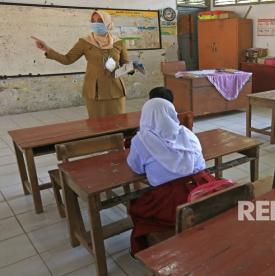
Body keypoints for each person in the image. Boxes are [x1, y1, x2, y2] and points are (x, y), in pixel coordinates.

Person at [126, 98, 207, 253]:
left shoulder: (141, 140)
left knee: (138, 210)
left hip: (169, 199)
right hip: (200, 189)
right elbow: (200, 165)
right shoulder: (187, 134)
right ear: (172, 114)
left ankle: (150, 251)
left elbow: (136, 167)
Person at [32, 10, 129, 119]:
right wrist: (47, 49)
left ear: (108, 22)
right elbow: (67, 59)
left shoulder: (119, 42)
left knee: (118, 123)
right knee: (97, 125)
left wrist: (132, 68)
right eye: (93, 21)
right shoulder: (85, 42)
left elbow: (125, 63)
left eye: (100, 20)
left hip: (115, 90)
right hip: (94, 91)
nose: (96, 23)